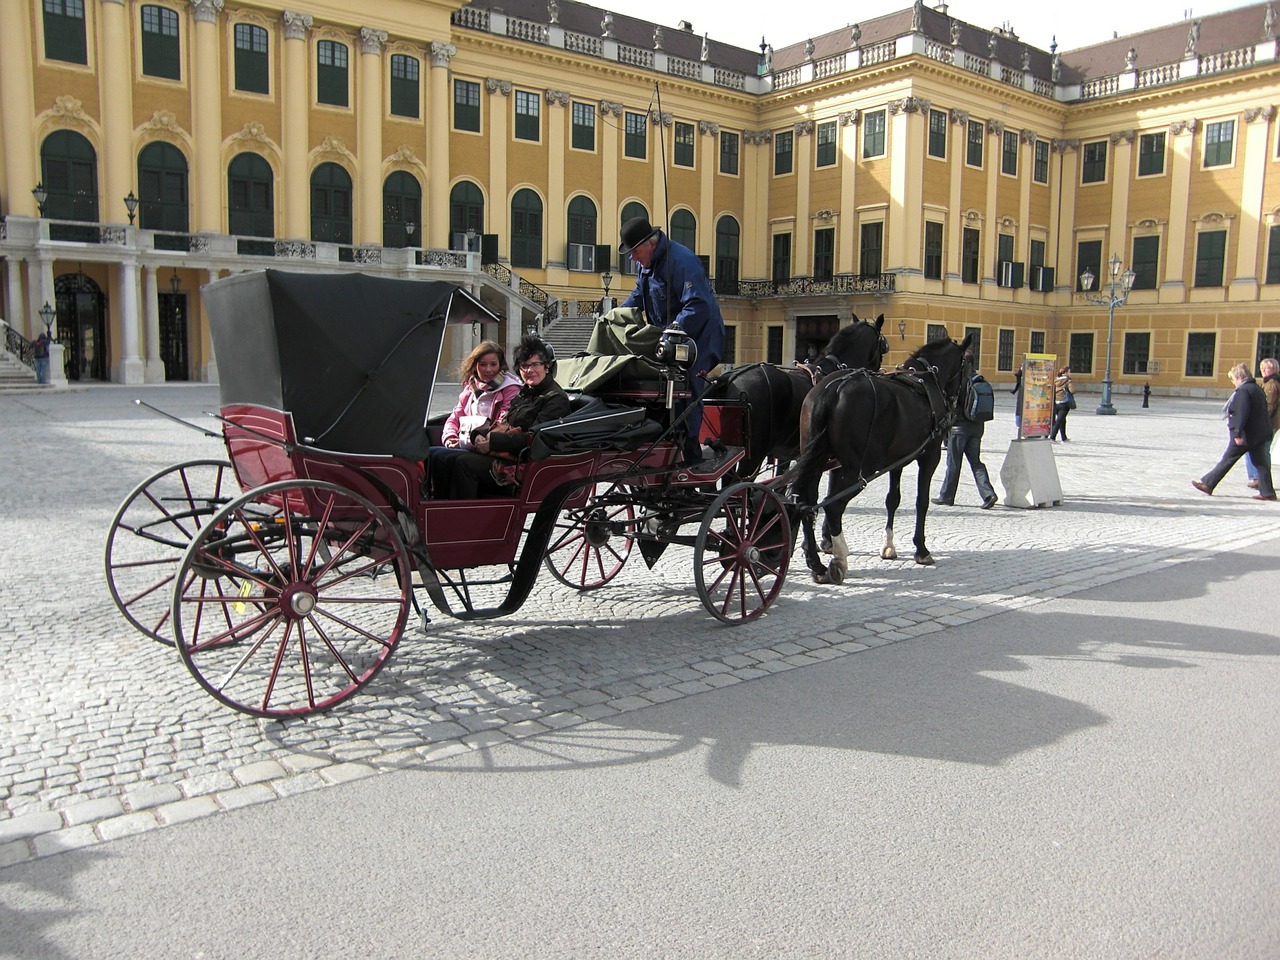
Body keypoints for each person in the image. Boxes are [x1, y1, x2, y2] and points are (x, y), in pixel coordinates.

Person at [618, 215, 725, 460]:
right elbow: (639, 294)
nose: (633, 258)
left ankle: (690, 451)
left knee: (684, 386)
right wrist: (617, 314)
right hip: (666, 339)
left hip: (699, 337)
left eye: (634, 252)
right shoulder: (644, 264)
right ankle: (659, 437)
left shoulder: (682, 261)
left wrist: (674, 329)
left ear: (650, 244)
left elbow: (699, 304)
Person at [433, 335, 571, 499]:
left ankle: (464, 519)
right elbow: (503, 423)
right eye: (524, 366)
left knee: (464, 464)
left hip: (523, 462)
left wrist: (492, 442)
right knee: (448, 459)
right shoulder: (525, 394)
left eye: (535, 365)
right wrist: (478, 437)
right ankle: (443, 513)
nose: (529, 370)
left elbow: (535, 439)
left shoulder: (555, 398)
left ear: (547, 367)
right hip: (505, 453)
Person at [425, 340, 521, 496]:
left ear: (500, 365)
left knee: (447, 458)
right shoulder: (471, 387)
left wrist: (473, 441)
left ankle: (450, 506)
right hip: (465, 441)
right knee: (432, 453)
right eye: (483, 364)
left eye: (493, 364)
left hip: (488, 446)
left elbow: (503, 422)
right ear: (475, 365)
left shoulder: (510, 388)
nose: (488, 370)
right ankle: (436, 501)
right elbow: (455, 416)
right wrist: (450, 437)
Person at [1192, 363, 1275, 501]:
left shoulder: (1243, 391)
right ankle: (1267, 492)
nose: (1233, 383)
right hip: (1260, 433)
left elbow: (1241, 413)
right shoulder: (1256, 388)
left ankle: (1208, 484)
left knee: (1228, 459)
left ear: (1240, 377)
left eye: (1233, 380)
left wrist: (1237, 433)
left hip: (1247, 434)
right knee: (1261, 464)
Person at [932, 353, 998, 509]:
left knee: (954, 463)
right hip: (977, 427)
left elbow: (950, 404)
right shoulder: (980, 380)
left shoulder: (960, 382)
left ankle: (947, 496)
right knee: (976, 462)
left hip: (959, 429)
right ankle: (988, 494)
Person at [1244, 357, 1279, 489]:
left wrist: (1259, 421)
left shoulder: (1272, 384)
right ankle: (1260, 478)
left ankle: (1259, 478)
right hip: (1270, 423)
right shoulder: (1269, 382)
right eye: (1262, 367)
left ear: (1274, 369)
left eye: (1267, 367)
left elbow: (1269, 406)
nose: (1263, 370)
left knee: (1259, 450)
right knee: (1262, 450)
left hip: (1268, 423)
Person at [1051, 365, 1073, 442]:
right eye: (1069, 372)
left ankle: (1064, 437)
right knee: (1059, 421)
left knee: (1062, 420)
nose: (1070, 373)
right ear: (1066, 372)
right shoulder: (1067, 380)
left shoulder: (1055, 380)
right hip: (1064, 403)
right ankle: (1052, 437)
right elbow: (1072, 390)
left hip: (1056, 402)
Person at [1010, 363, 1024, 437]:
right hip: (1020, 384)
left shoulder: (1022, 371)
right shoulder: (1021, 370)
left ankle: (1013, 391)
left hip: (1020, 384)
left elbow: (1019, 375)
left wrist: (1016, 374)